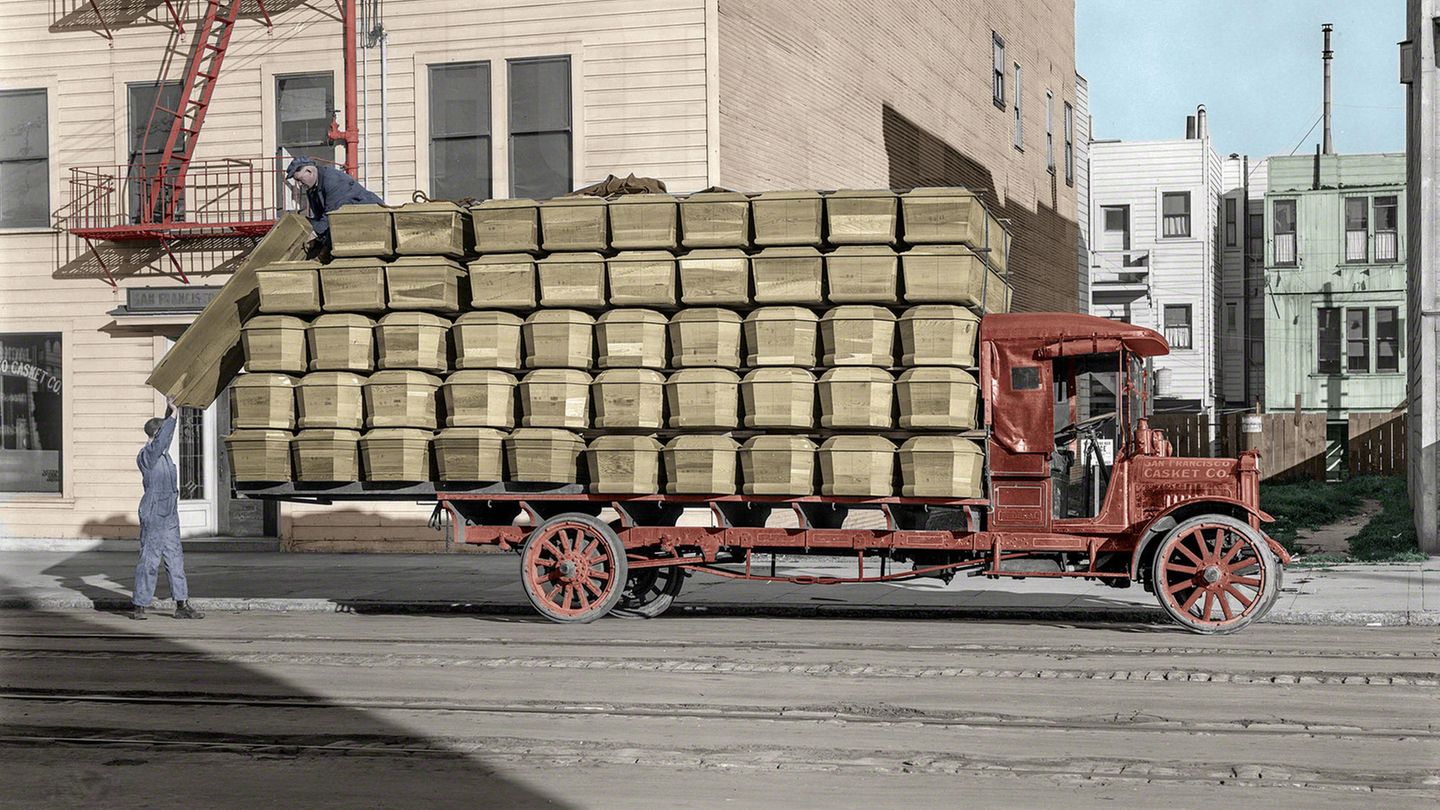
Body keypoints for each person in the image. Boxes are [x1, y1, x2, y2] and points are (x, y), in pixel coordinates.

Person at [130, 398, 203, 620]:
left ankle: (182, 605)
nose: (167, 439)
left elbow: (165, 436)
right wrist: (173, 415)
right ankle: (140, 605)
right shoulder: (147, 456)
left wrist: (171, 409)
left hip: (169, 514)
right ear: (156, 435)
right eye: (163, 434)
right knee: (149, 560)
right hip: (153, 514)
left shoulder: (163, 454)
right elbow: (163, 437)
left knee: (175, 559)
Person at [285, 156, 384, 251]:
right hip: (348, 222)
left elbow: (331, 215)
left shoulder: (333, 181)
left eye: (299, 180)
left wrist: (314, 235)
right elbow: (320, 217)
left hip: (372, 218)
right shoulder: (311, 188)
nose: (299, 184)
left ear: (309, 171)